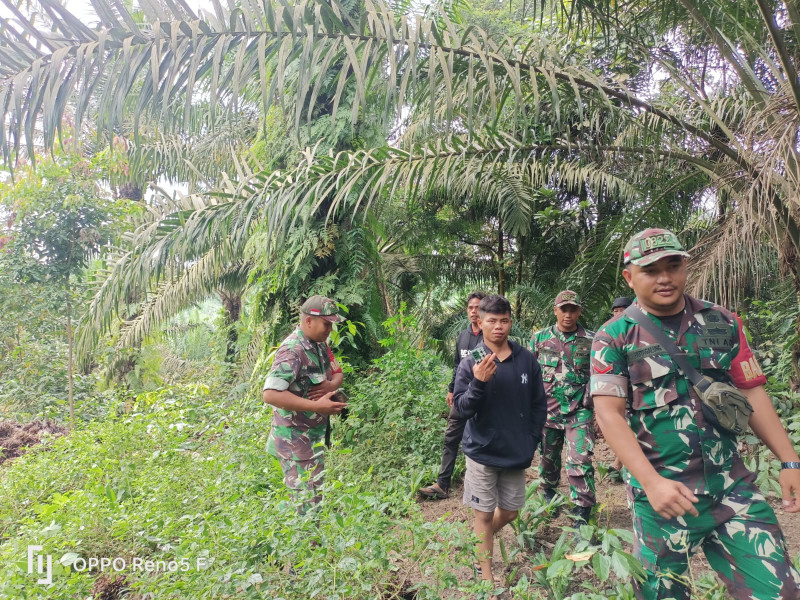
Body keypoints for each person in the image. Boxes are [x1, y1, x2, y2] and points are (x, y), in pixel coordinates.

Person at [591, 228, 800, 600]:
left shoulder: (722, 321)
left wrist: (789, 461)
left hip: (731, 488)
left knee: (781, 592)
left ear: (686, 266)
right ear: (629, 276)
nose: (665, 277)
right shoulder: (615, 337)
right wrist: (652, 484)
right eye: (651, 270)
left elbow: (751, 391)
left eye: (673, 265)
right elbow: (609, 415)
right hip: (664, 496)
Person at [453, 295, 547, 591]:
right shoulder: (471, 363)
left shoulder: (526, 359)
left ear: (510, 322)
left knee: (510, 512)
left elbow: (538, 405)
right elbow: (460, 409)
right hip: (481, 452)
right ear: (480, 323)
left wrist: (531, 440)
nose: (498, 327)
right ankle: (486, 578)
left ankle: (479, 541)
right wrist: (478, 382)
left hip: (515, 452)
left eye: (504, 320)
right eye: (492, 321)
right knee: (483, 515)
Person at [262, 296, 348, 512]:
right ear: (309, 321)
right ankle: (305, 542)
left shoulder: (318, 344)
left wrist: (330, 391)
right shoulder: (293, 351)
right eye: (326, 324)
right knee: (306, 504)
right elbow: (270, 394)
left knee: (311, 498)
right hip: (294, 440)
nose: (330, 329)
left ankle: (307, 539)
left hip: (310, 439)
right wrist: (316, 407)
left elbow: (334, 374)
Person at [531, 290, 596, 525]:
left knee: (579, 460)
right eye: (563, 309)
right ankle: (549, 494)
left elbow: (599, 374)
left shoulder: (592, 340)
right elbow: (529, 373)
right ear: (555, 310)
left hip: (579, 411)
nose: (568, 314)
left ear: (579, 311)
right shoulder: (539, 339)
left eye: (573, 309)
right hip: (547, 412)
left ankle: (582, 512)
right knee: (548, 461)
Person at [419, 291, 486, 499]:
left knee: (479, 440)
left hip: (481, 398)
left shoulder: (488, 337)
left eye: (478, 307)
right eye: (470, 307)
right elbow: (457, 366)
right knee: (451, 437)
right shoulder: (463, 337)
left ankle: (479, 486)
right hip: (461, 397)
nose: (474, 311)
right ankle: (443, 484)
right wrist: (451, 389)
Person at [607, 296, 633, 480]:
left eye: (622, 310)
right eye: (615, 311)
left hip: (638, 389)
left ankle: (619, 464)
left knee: (632, 425)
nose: (618, 314)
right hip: (617, 388)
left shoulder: (639, 330)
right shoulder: (609, 332)